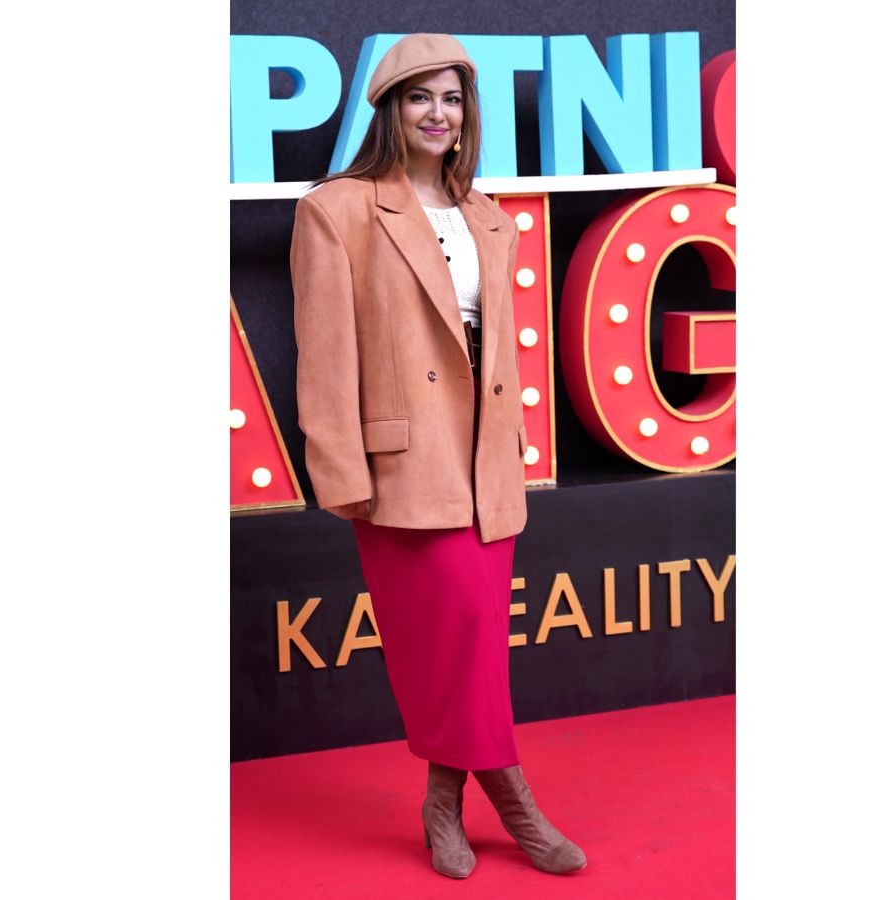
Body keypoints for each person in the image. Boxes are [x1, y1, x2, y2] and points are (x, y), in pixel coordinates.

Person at [289, 33, 586, 879]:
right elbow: (324, 354)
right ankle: (516, 800)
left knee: (476, 642)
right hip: (402, 462)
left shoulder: (487, 215)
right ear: (391, 109)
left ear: (466, 114)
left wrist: (515, 442)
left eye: (451, 98)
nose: (437, 113)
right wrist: (342, 471)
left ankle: (443, 803)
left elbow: (496, 351)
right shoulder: (338, 209)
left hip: (486, 461)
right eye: (420, 96)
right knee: (450, 632)